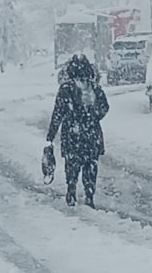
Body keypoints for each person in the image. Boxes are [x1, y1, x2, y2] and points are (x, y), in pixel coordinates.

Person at [46, 54, 109, 208]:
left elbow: (58, 113)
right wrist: (93, 117)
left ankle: (71, 188)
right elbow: (105, 107)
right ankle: (89, 194)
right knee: (90, 164)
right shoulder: (94, 87)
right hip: (92, 133)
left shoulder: (65, 89)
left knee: (72, 163)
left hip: (72, 133)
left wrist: (51, 135)